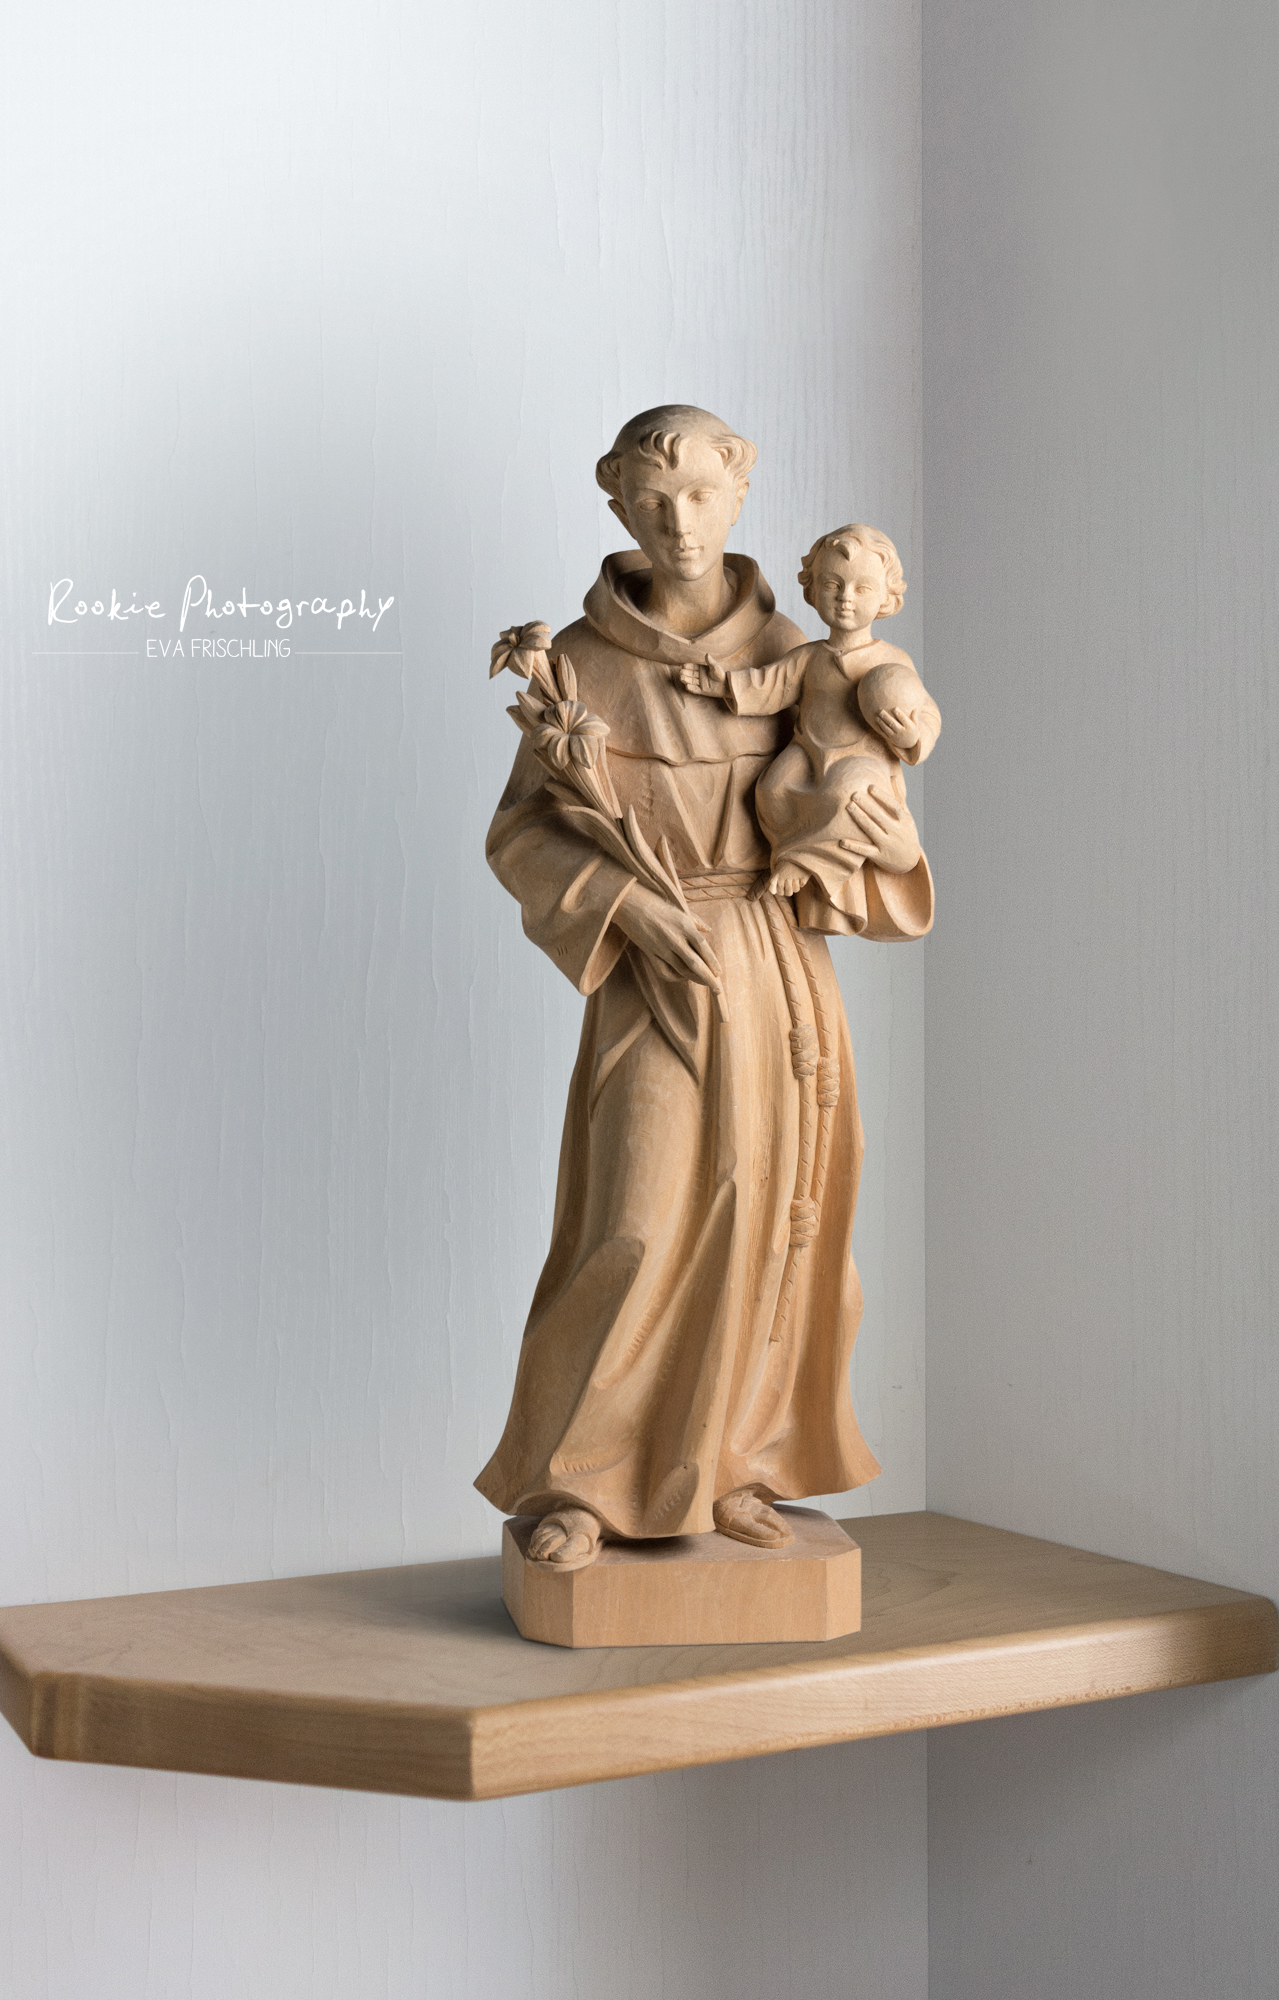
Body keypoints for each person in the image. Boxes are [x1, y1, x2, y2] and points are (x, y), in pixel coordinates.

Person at [475, 408, 932, 1571]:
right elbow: (523, 833)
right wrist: (624, 907)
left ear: (740, 494)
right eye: (651, 498)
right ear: (615, 501)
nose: (678, 522)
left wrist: (881, 838)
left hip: (773, 961)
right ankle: (578, 1476)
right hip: (653, 963)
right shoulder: (576, 666)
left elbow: (864, 793)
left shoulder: (801, 653)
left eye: (699, 495)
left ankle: (730, 1458)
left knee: (768, 1213)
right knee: (631, 1216)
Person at [680, 523, 939, 936]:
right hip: (810, 749)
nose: (845, 598)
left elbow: (926, 713)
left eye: (862, 588)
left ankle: (804, 863)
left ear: (887, 597)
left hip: (864, 762)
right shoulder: (810, 657)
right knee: (771, 789)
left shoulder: (892, 661)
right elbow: (769, 686)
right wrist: (724, 685)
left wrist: (911, 737)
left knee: (848, 799)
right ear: (812, 588)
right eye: (832, 584)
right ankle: (789, 849)